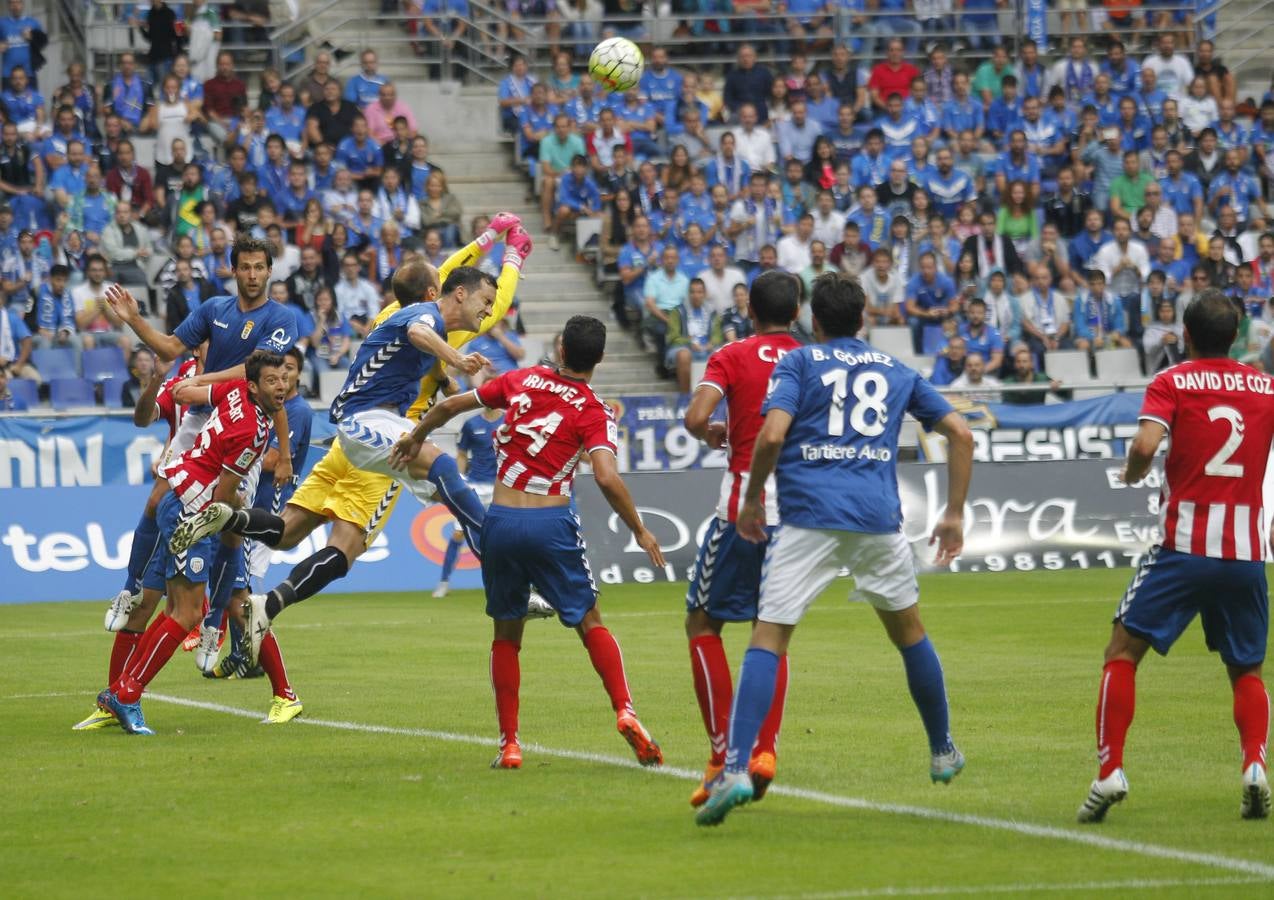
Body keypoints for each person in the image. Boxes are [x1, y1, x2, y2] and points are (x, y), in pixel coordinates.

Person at [165, 220, 554, 660]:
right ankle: (507, 579)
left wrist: (487, 238)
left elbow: (444, 280)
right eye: (473, 299)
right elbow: (471, 305)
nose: (485, 311)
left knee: (288, 534)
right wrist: (512, 253)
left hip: (359, 435)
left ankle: (229, 525)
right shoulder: (428, 317)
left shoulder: (402, 308)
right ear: (441, 292)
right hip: (376, 428)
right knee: (358, 538)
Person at [696, 272, 973, 826]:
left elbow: (771, 436)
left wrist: (752, 500)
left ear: (814, 322)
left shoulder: (798, 363)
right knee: (909, 633)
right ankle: (942, 748)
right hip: (877, 518)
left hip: (807, 518)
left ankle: (732, 768)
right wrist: (953, 512)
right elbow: (961, 433)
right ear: (863, 319)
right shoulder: (895, 370)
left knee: (767, 636)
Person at [393, 315, 666, 771]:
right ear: (598, 359)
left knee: (506, 634)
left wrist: (414, 438)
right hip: (549, 522)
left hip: (498, 522)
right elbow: (605, 475)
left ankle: (510, 745)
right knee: (591, 622)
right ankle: (625, 710)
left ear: (560, 349)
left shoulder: (522, 379)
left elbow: (448, 407)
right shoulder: (593, 409)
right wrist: (639, 527)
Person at [1077, 289, 1273, 824]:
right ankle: (1254, 765)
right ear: (1236, 337)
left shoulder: (1172, 381)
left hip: (1182, 548)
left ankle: (1109, 771)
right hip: (1245, 553)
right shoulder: (1265, 387)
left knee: (1122, 651)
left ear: (1185, 336)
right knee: (1247, 668)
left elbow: (1144, 447)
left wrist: (1132, 474)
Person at [99, 236, 297, 633]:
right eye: (246, 267)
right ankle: (131, 587)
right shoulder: (213, 309)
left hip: (241, 421)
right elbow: (170, 348)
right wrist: (134, 319)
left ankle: (213, 620)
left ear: (270, 270)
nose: (253, 274)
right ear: (234, 270)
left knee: (229, 525)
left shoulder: (281, 318)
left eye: (260, 267)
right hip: (201, 417)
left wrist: (203, 380)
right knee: (158, 498)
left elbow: (253, 373)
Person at [85, 350, 288, 735]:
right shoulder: (251, 430)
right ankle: (126, 694)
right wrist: (247, 514)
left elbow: (192, 394)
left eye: (284, 378)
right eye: (272, 380)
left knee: (172, 609)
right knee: (187, 614)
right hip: (190, 510)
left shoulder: (232, 391)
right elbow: (225, 496)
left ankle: (121, 691)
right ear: (255, 386)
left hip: (175, 493)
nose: (281, 387)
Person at [680, 271, 802, 804]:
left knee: (702, 622)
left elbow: (696, 416)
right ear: (796, 312)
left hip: (741, 509)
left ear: (749, 310)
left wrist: (710, 432)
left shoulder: (732, 355)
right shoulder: (811, 358)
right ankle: (764, 750)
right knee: (769, 630)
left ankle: (720, 752)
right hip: (798, 514)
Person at [431, 401, 502, 600]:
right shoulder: (471, 423)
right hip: (476, 487)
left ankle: (523, 582)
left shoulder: (509, 422)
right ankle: (444, 583)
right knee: (458, 534)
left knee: (509, 536)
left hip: (501, 488)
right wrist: (459, 482)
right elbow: (462, 454)